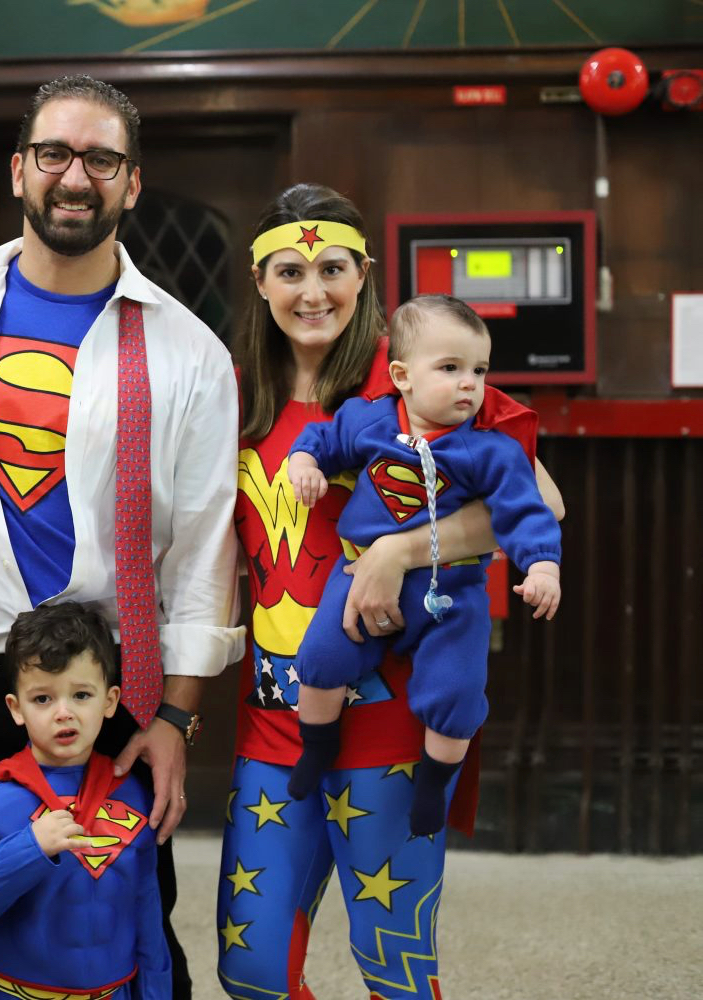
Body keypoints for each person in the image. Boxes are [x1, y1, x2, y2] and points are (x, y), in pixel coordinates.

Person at [0, 74, 242, 997]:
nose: (77, 178)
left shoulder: (190, 350)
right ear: (19, 168)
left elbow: (201, 553)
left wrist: (175, 719)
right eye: (56, 155)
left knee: (117, 922)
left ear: (132, 182)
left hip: (99, 697)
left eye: (102, 159)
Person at [221, 183, 564, 1000]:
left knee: (396, 969)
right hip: (276, 718)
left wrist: (401, 551)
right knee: (253, 974)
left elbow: (540, 501)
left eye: (333, 268)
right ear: (260, 281)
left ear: (363, 272)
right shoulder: (233, 390)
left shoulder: (420, 368)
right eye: (291, 271)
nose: (313, 292)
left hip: (391, 720)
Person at [286, 294, 562, 834]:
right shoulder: (370, 420)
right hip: (360, 574)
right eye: (451, 368)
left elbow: (528, 511)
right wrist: (304, 461)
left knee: (457, 691)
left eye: (479, 370)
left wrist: (543, 565)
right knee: (320, 658)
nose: (470, 385)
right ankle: (316, 749)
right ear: (402, 376)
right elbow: (322, 439)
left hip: (452, 591)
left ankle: (434, 786)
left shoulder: (490, 448)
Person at [0, 602, 168, 1000]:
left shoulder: (132, 793)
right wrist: (30, 848)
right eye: (43, 699)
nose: (64, 713)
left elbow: (147, 910)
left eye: (81, 695)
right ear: (17, 709)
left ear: (110, 701)